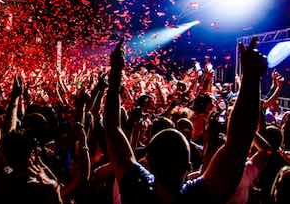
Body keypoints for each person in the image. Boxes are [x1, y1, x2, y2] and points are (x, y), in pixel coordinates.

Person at [104, 37, 267, 204]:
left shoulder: (135, 187)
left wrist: (116, 70)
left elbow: (112, 127)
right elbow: (239, 143)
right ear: (189, 167)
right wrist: (252, 78)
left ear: (148, 161)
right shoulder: (199, 198)